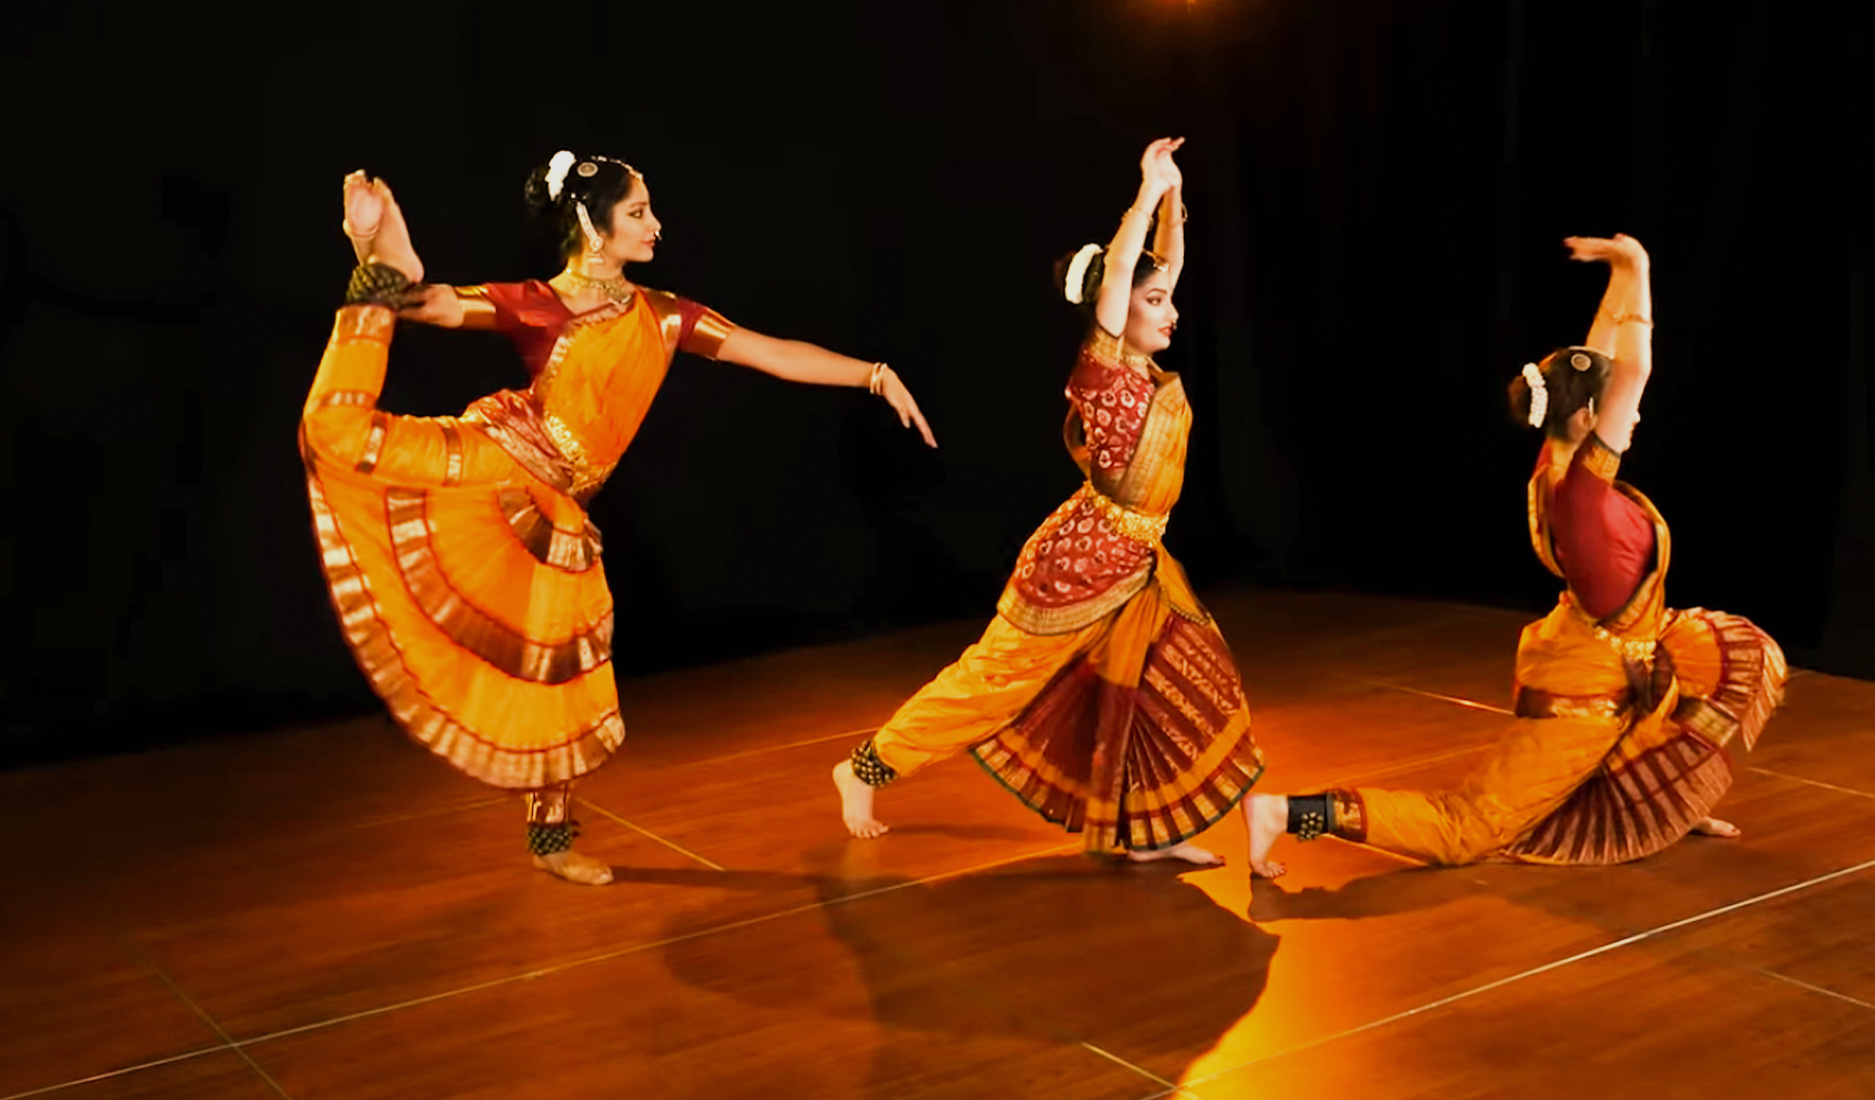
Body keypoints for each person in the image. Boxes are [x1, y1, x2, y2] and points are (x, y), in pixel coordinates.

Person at [303, 152, 936, 885]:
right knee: (334, 434)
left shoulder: (664, 316)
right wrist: (372, 250)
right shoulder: (541, 303)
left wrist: (874, 375)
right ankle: (386, 268)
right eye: (638, 212)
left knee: (558, 675)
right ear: (590, 223)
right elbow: (435, 307)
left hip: (555, 507)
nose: (655, 224)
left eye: (649, 210)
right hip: (497, 459)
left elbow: (770, 353)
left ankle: (550, 840)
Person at [1250, 234, 1785, 866]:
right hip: (1584, 694)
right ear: (1587, 419)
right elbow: (1632, 371)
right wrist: (1640, 266)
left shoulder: (1558, 454)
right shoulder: (1582, 492)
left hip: (1620, 655)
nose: (1636, 413)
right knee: (1468, 830)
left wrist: (1618, 275)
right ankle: (1286, 812)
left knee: (1710, 675)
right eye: (1620, 407)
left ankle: (1665, 808)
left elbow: (1599, 360)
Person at [832, 138, 1288, 877]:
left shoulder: (1141, 364)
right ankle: (866, 767)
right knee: (993, 684)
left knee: (1175, 688)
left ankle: (1150, 830)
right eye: (1153, 301)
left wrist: (1175, 197)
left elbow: (1162, 265)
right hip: (1079, 569)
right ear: (1114, 305)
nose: (1171, 310)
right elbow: (1126, 274)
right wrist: (1145, 192)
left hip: (1140, 564)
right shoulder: (1103, 368)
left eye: (1168, 299)